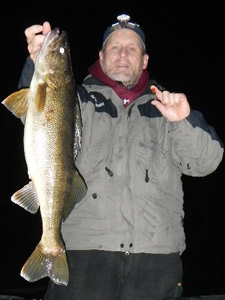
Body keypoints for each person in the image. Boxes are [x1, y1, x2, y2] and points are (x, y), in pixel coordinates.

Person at [18, 15, 223, 300]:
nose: (123, 54)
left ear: (145, 60)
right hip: (84, 259)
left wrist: (183, 122)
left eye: (132, 48)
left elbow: (207, 161)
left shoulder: (166, 108)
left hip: (155, 264)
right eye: (115, 48)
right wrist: (36, 63)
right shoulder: (77, 101)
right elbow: (34, 114)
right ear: (101, 56)